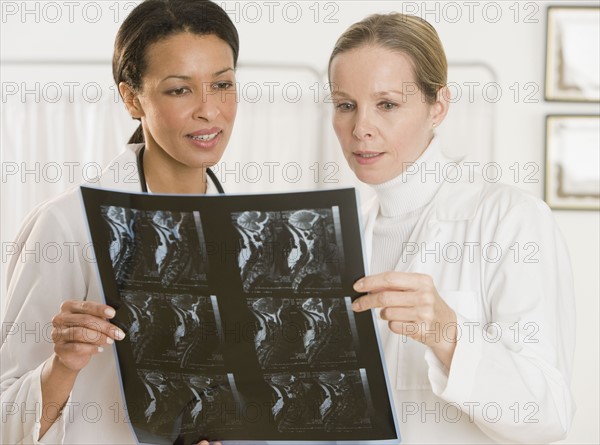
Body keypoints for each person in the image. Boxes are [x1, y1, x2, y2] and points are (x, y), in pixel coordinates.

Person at [328, 13, 575, 444]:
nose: (361, 127)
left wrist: (448, 333)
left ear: (437, 106)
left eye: (387, 104)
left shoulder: (509, 221)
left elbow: (548, 416)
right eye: (345, 104)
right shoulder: (341, 235)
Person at [1, 0, 237, 443]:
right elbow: (5, 417)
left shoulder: (258, 231)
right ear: (132, 98)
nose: (209, 110)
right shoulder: (68, 225)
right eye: (179, 90)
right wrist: (63, 364)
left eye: (222, 84)